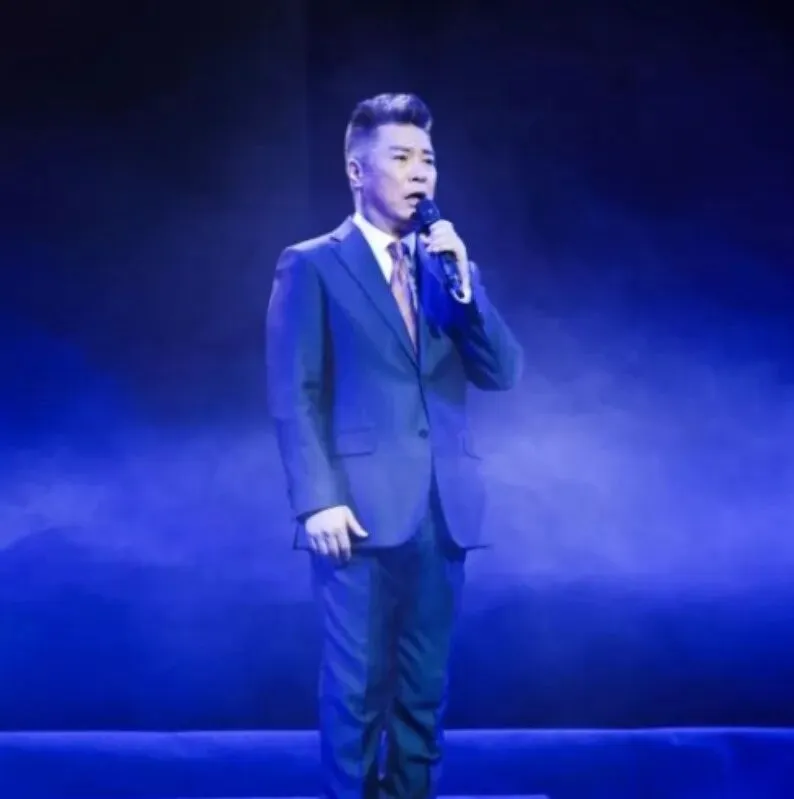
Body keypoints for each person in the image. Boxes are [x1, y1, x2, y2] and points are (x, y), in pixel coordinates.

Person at [266, 92, 523, 798]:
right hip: (355, 513)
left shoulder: (448, 268)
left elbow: (503, 372)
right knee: (356, 690)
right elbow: (294, 392)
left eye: (428, 160)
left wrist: (464, 285)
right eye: (402, 157)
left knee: (422, 691)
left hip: (444, 511)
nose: (420, 173)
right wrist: (316, 499)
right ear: (357, 170)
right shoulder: (312, 264)